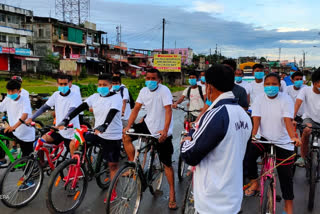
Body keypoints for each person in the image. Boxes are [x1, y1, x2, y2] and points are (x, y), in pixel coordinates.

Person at [181, 64, 252, 214]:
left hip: (212, 202)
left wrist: (185, 140)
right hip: (233, 198)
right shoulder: (243, 115)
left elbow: (190, 155)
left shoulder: (217, 114)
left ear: (209, 87)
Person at [60, 74, 122, 202]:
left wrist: (104, 125)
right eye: (99, 85)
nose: (102, 87)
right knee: (77, 142)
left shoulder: (116, 98)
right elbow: (80, 108)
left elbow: (112, 113)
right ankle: (79, 167)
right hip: (97, 133)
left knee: (112, 165)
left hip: (112, 135)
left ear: (111, 85)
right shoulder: (94, 97)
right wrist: (66, 119)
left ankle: (113, 192)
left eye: (105, 85)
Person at [245, 73, 301, 214]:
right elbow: (256, 119)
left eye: (274, 84)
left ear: (279, 86)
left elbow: (288, 121)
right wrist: (253, 136)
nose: (271, 87)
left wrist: (293, 137)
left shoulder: (286, 99)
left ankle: (289, 208)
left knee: (285, 178)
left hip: (283, 142)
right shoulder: (258, 99)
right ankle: (255, 182)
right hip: (263, 138)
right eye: (267, 84)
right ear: (264, 86)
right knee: (247, 156)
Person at [122, 68, 177, 210]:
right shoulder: (143, 91)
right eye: (148, 78)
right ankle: (133, 164)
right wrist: (128, 125)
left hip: (161, 130)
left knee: (166, 164)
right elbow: (136, 109)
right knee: (126, 136)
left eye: (153, 78)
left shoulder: (164, 91)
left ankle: (172, 193)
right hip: (148, 125)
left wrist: (165, 131)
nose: (150, 81)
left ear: (159, 80)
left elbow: (168, 110)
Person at [26, 74, 80, 164]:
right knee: (38, 143)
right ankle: (41, 165)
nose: (63, 86)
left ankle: (76, 173)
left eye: (65, 84)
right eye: (61, 84)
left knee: (73, 158)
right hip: (58, 130)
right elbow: (44, 108)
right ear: (57, 84)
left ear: (69, 83)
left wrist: (62, 124)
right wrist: (31, 118)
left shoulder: (75, 96)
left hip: (72, 130)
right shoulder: (56, 95)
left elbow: (71, 111)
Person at [0, 80, 35, 190]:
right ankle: (2, 158)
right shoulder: (8, 99)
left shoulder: (24, 99)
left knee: (26, 159)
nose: (10, 93)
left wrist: (14, 126)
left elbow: (25, 115)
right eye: (8, 91)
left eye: (12, 91)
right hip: (14, 131)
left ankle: (29, 180)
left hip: (26, 134)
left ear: (19, 91)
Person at [294, 69, 320, 167]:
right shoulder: (305, 90)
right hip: (310, 119)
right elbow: (297, 104)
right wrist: (292, 118)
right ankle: (303, 157)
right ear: (315, 82)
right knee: (306, 130)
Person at [9, 76, 30, 154]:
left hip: (21, 114)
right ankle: (14, 146)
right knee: (13, 131)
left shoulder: (24, 92)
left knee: (19, 131)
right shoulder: (10, 92)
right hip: (13, 113)